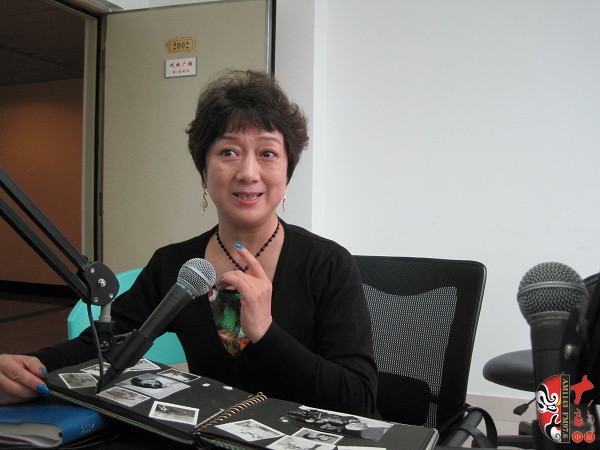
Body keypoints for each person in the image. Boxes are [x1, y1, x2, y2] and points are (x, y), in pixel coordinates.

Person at [0, 70, 378, 418]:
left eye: (267, 153)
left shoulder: (328, 264)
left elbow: (358, 398)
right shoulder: (175, 265)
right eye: (228, 152)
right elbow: (104, 344)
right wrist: (27, 364)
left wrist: (266, 331)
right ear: (203, 173)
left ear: (287, 172)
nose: (248, 172)